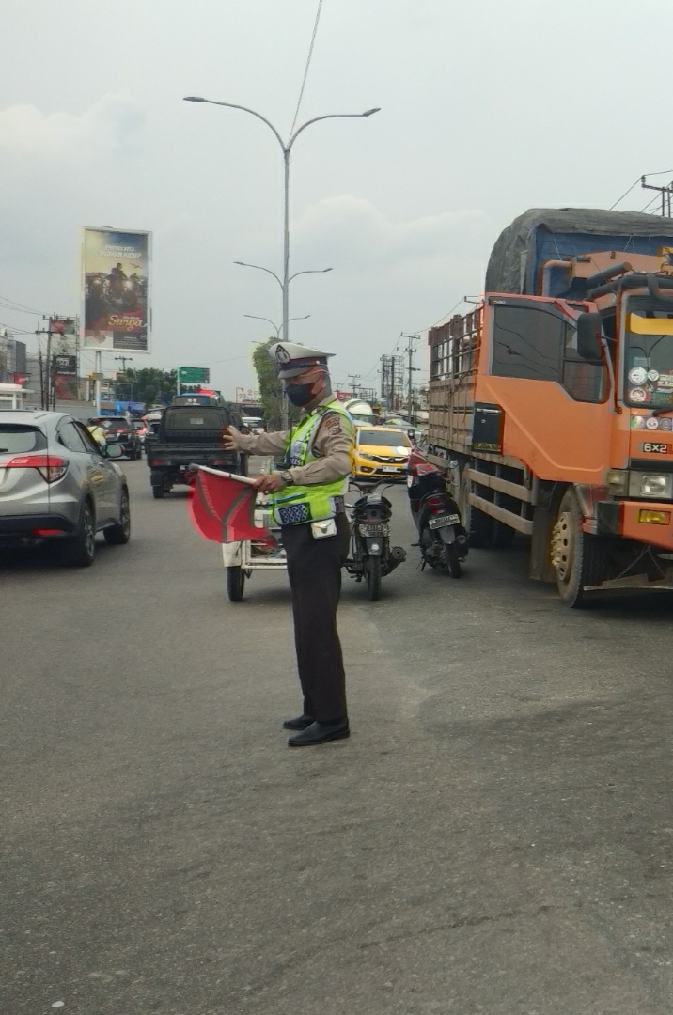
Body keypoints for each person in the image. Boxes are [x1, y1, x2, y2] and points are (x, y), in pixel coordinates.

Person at [222, 342, 354, 747]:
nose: (291, 387)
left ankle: (333, 720)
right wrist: (245, 442)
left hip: (321, 534)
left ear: (317, 379)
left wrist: (288, 477)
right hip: (302, 533)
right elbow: (283, 442)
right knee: (305, 627)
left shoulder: (334, 419)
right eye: (287, 381)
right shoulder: (309, 419)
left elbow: (340, 462)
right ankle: (315, 707)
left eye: (297, 380)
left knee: (317, 629)